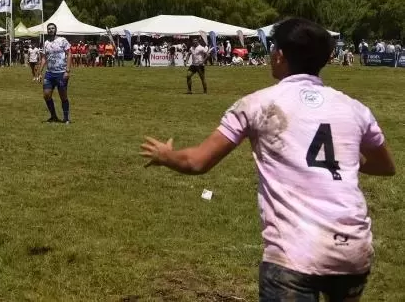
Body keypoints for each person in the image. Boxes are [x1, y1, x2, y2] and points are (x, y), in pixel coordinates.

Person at [140, 18, 395, 302]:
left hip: (293, 252)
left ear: (280, 55)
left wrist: (166, 155)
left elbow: (198, 162)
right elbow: (386, 166)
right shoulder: (354, 108)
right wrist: (342, 161)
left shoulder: (257, 104)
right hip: (352, 248)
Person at [36, 23, 71, 124]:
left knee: (63, 96)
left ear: (56, 30)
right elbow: (43, 58)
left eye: (52, 28)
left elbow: (69, 54)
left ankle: (66, 118)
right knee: (46, 95)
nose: (51, 30)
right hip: (49, 73)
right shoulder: (46, 43)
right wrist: (39, 72)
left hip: (61, 73)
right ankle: (53, 116)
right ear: (47, 31)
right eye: (49, 29)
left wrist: (67, 70)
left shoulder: (62, 40)